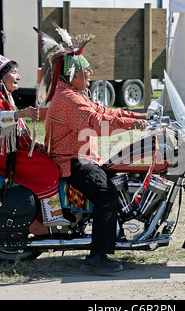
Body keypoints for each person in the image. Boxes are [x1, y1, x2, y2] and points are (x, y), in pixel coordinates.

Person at [43, 38, 148, 274]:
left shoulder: (75, 94)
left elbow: (104, 111)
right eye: (86, 70)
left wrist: (139, 116)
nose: (90, 73)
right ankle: (97, 257)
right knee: (107, 197)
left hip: (82, 157)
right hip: (71, 160)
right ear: (73, 75)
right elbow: (97, 123)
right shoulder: (69, 99)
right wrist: (133, 125)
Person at [0, 55, 70, 227]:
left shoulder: (6, 97)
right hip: (0, 149)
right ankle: (52, 215)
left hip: (7, 148)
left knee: (48, 159)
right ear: (2, 75)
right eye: (14, 72)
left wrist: (37, 145)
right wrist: (22, 114)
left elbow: (18, 130)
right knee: (47, 167)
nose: (18, 77)